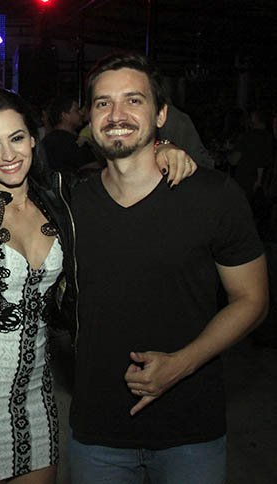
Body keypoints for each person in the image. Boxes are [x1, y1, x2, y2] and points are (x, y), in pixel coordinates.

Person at [0, 88, 197, 484]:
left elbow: (122, 173)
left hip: (36, 391)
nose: (8, 154)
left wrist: (163, 147)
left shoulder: (60, 196)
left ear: (33, 139)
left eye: (16, 138)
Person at [68, 53, 268, 484]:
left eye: (133, 100)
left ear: (161, 115)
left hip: (190, 431)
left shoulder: (214, 196)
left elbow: (252, 299)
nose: (116, 114)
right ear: (89, 118)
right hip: (98, 433)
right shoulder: (70, 205)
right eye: (103, 103)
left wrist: (181, 364)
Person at [41, 95, 100, 174]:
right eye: (77, 110)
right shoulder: (76, 142)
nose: (81, 113)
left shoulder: (46, 141)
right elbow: (95, 169)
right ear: (64, 116)